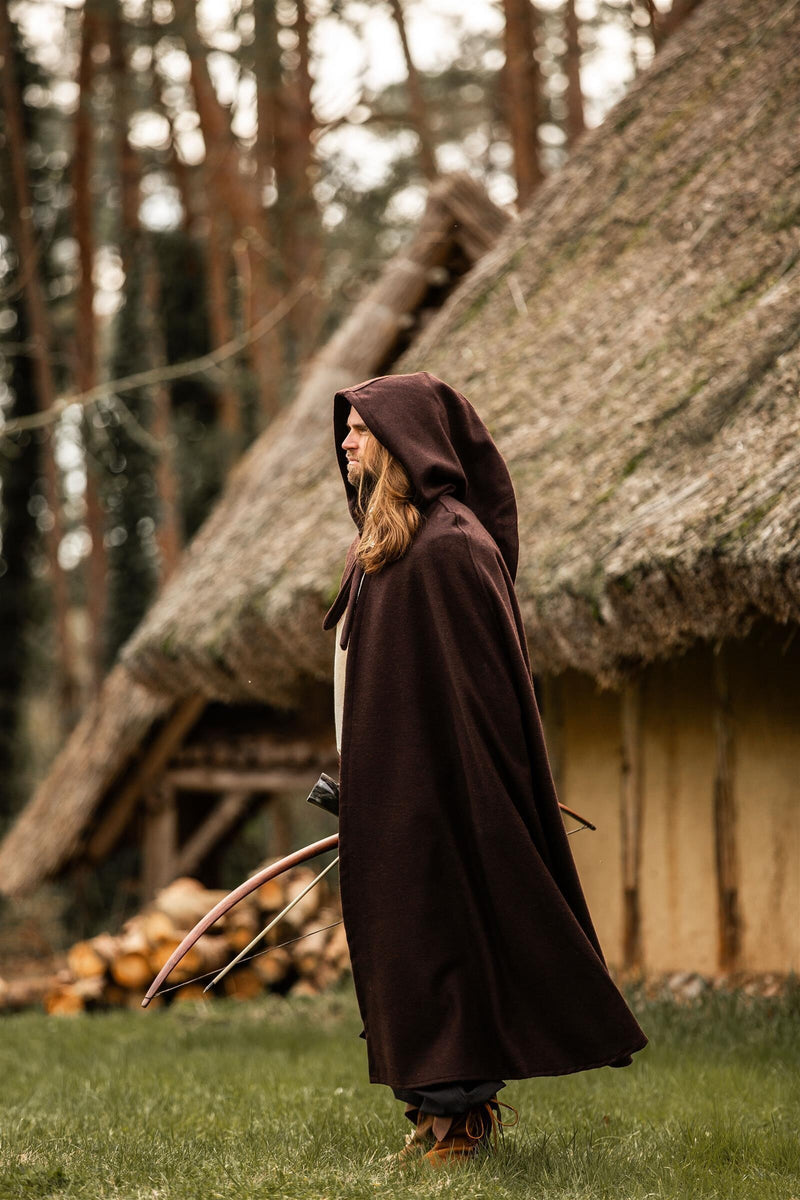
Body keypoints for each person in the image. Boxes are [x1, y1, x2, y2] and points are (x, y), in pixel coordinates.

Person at [322, 371, 647, 1168]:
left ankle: (460, 1122)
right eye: (348, 429)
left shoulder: (452, 548)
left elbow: (485, 697)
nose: (346, 442)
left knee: (445, 939)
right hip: (394, 791)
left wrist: (472, 790)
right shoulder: (390, 549)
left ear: (404, 441)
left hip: (445, 792)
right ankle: (434, 1117)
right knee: (406, 942)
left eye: (361, 429)